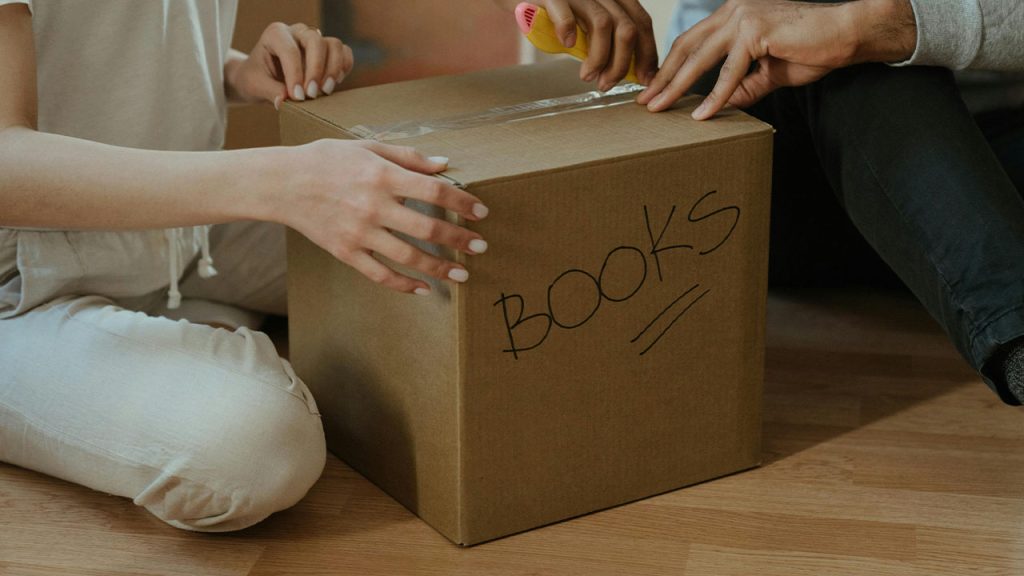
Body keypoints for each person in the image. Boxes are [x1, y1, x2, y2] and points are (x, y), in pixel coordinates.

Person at [0, 0, 656, 531]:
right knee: (254, 448)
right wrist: (282, 182)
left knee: (447, 260)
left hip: (177, 232)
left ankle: (184, 323)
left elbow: (99, 43)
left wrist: (235, 71)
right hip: (20, 283)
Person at [638, 0, 1024, 406]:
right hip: (767, 155)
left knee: (847, 29)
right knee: (815, 25)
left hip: (977, 164)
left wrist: (877, 26)